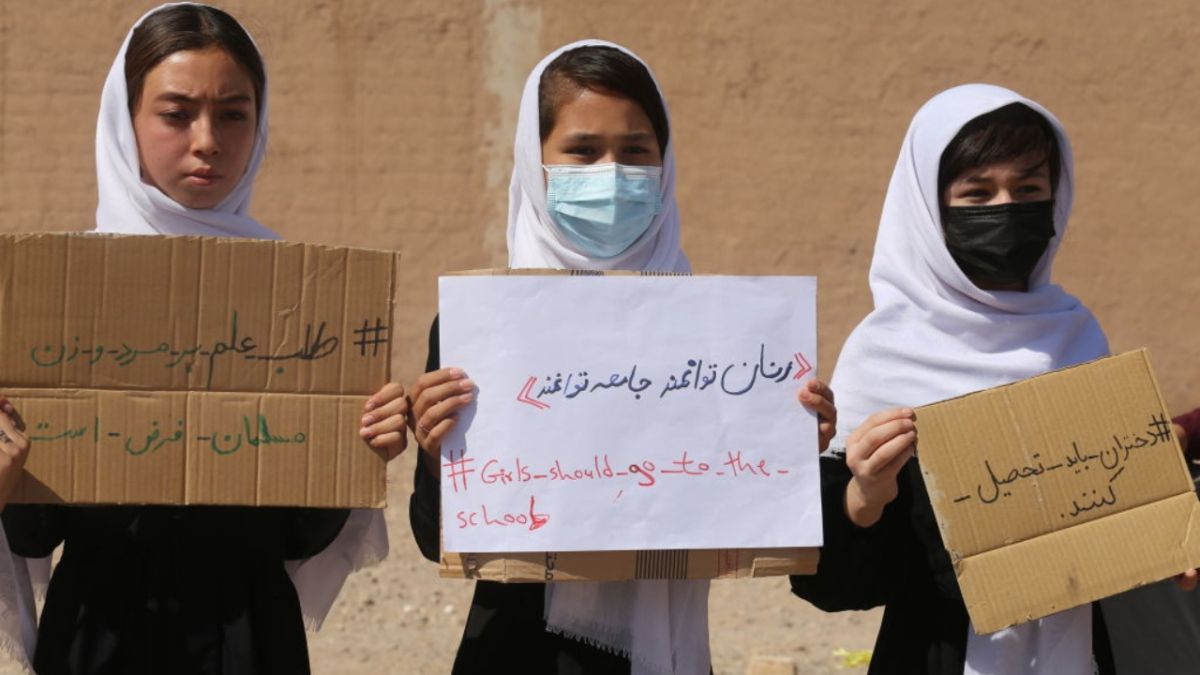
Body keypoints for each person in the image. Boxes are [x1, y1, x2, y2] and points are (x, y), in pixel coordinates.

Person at [0, 5, 407, 673]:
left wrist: (355, 446)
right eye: (176, 113)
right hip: (98, 639)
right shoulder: (56, 298)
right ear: (126, 120)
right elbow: (36, 533)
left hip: (249, 638)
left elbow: (296, 534)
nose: (208, 140)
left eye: (233, 114)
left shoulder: (302, 297)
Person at [407, 40, 835, 675]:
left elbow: (741, 521)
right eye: (583, 151)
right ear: (534, 161)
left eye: (635, 151)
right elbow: (432, 538)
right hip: (517, 652)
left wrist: (789, 449)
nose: (611, 174)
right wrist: (434, 452)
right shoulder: (482, 330)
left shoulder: (718, 333)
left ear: (666, 162)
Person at [790, 84, 1118, 674]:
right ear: (930, 209)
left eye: (1028, 190)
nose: (1006, 208)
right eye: (977, 193)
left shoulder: (1077, 334)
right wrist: (864, 496)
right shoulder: (884, 352)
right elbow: (836, 586)